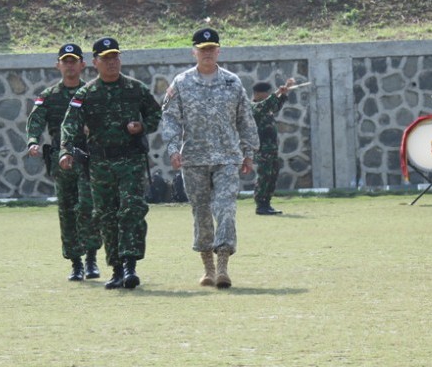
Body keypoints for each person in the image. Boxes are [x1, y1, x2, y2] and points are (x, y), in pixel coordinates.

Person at [59, 37, 162, 290]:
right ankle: (116, 269)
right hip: (100, 164)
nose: (111, 62)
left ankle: (130, 265)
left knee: (132, 210)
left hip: (131, 160)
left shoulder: (135, 88)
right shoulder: (86, 94)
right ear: (95, 62)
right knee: (106, 216)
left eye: (115, 57)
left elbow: (156, 114)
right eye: (105, 58)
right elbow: (69, 125)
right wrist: (66, 150)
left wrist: (142, 127)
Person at [161, 28, 260, 289]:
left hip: (227, 157)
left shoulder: (232, 82)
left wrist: (248, 153)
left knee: (225, 208)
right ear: (194, 51)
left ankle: (224, 267)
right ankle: (208, 268)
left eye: (211, 49)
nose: (207, 53)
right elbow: (170, 117)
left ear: (218, 51)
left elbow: (245, 120)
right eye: (202, 49)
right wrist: (173, 149)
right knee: (202, 213)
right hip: (193, 159)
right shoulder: (181, 83)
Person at [26, 43, 102, 282]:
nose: (70, 65)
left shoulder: (92, 92)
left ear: (83, 65)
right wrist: (32, 141)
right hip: (62, 161)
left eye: (74, 61)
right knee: (67, 211)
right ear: (58, 65)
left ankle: (91, 259)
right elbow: (36, 121)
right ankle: (75, 263)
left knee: (88, 208)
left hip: (88, 159)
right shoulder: (49, 96)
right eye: (65, 61)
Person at [251, 79, 293, 215]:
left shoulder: (266, 107)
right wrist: (277, 93)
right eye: (266, 93)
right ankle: (260, 205)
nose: (268, 95)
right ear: (257, 94)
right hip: (262, 149)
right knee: (264, 176)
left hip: (271, 149)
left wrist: (284, 94)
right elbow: (266, 104)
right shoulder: (253, 106)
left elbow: (274, 107)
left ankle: (267, 203)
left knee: (272, 176)